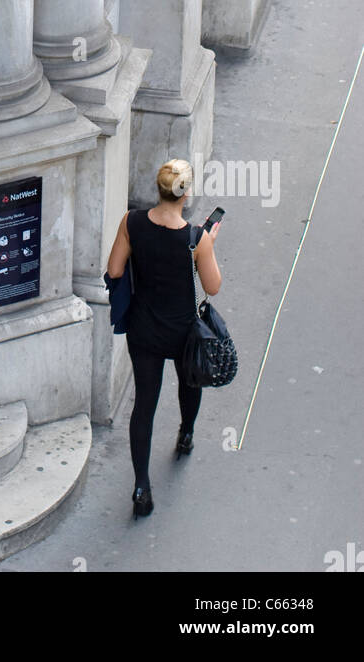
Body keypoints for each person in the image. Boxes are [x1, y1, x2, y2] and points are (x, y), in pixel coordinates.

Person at [105, 158, 222, 519]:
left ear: (158, 188)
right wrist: (208, 244)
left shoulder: (132, 222)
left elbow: (114, 270)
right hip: (184, 332)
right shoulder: (195, 238)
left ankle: (141, 486)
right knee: (189, 384)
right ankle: (186, 434)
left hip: (144, 329)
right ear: (184, 195)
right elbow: (213, 287)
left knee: (144, 405)